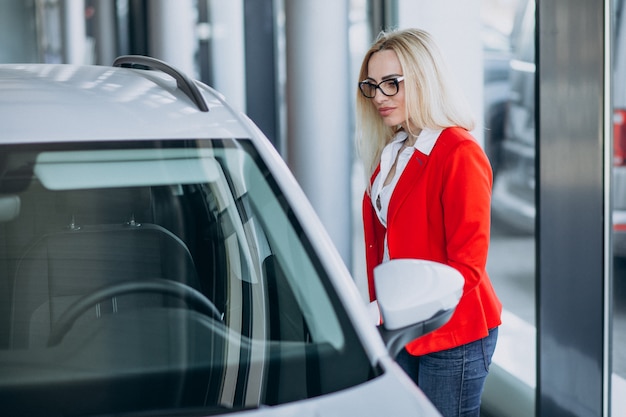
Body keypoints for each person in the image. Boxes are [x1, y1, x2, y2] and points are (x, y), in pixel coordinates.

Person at [355, 28, 502, 417]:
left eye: (392, 83)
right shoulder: (393, 149)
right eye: (372, 85)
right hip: (402, 327)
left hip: (454, 332)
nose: (380, 97)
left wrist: (388, 311)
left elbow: (467, 267)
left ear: (424, 79)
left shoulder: (458, 152)